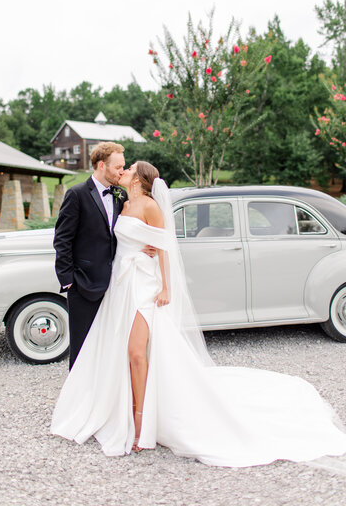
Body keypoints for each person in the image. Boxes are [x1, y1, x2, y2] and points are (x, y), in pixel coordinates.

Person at [51, 161, 346, 467]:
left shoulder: (151, 206)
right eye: (121, 167)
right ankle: (124, 410)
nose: (123, 170)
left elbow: (165, 247)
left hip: (144, 286)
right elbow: (116, 241)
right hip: (121, 286)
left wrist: (165, 287)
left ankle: (141, 426)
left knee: (137, 352)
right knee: (122, 352)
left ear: (138, 179)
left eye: (129, 169)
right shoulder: (123, 202)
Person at [53, 142, 154, 370]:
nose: (122, 171)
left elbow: (120, 235)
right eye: (118, 167)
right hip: (84, 285)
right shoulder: (77, 194)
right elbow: (62, 240)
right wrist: (69, 281)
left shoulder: (120, 195)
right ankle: (78, 401)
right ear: (101, 165)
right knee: (82, 348)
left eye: (124, 167)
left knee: (109, 346)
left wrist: (140, 247)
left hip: (117, 285)